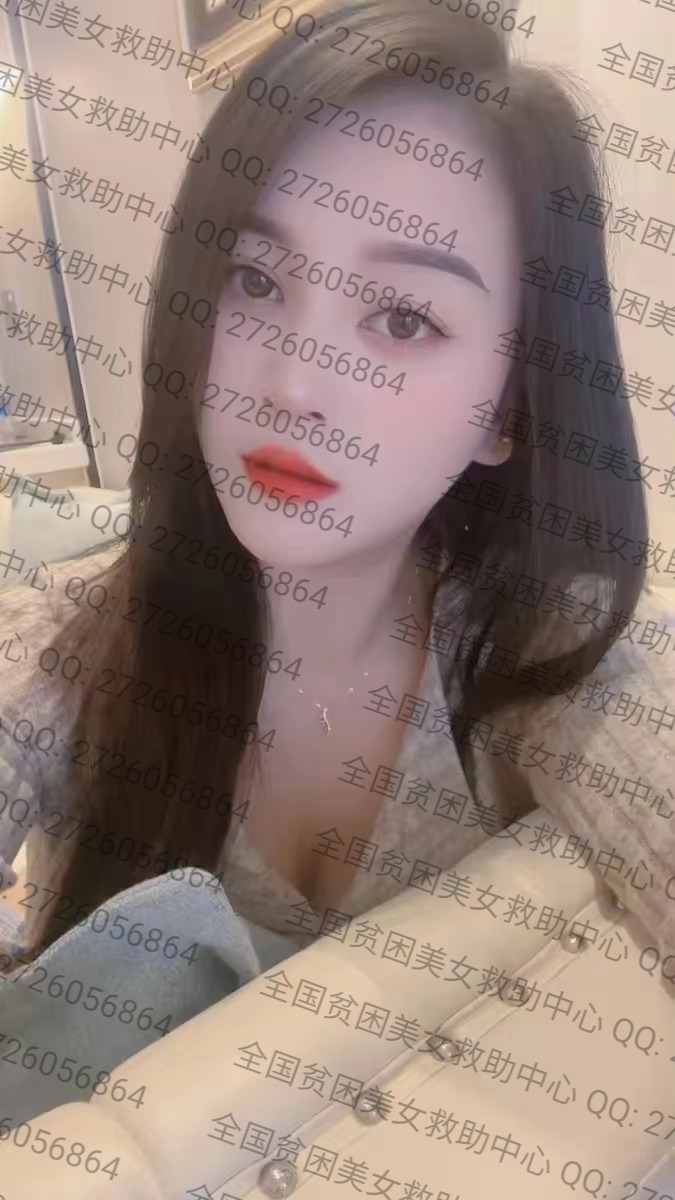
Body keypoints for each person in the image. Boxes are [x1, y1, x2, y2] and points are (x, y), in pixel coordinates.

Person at [0, 0, 673, 1135]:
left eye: (403, 318)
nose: (294, 386)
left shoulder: (560, 655)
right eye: (255, 281)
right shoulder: (78, 640)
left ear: (506, 407)